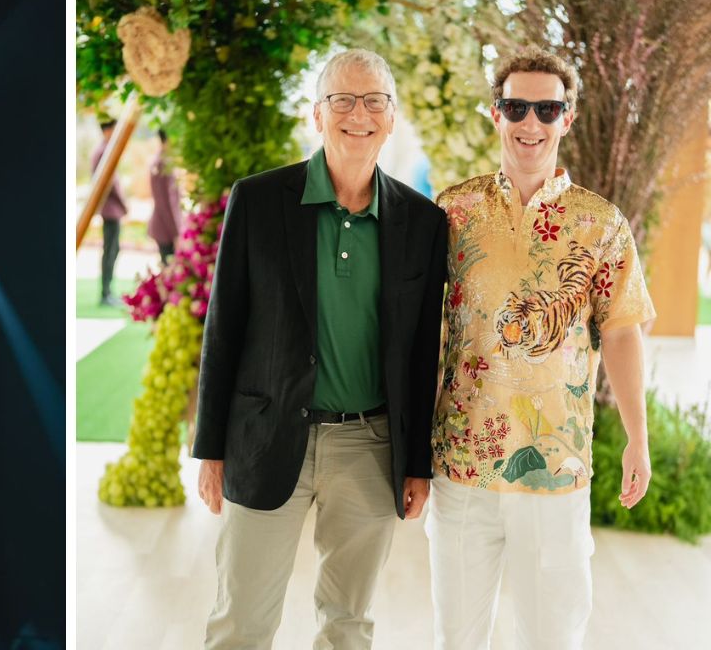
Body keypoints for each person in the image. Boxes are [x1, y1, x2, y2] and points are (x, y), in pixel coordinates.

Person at [192, 49, 447, 649]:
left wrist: (417, 462)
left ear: (391, 118)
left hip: (371, 444)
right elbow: (223, 328)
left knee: (347, 625)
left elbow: (420, 354)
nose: (358, 114)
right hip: (266, 435)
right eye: (342, 100)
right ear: (317, 114)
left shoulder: (423, 222)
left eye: (374, 101)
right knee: (240, 622)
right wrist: (210, 448)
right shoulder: (257, 200)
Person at [428, 46, 655, 649]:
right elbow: (412, 326)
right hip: (461, 468)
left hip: (557, 472)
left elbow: (623, 330)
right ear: (495, 114)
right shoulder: (452, 211)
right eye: (517, 106)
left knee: (553, 639)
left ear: (567, 118)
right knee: (457, 637)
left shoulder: (601, 223)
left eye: (547, 109)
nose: (532, 122)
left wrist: (638, 436)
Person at [90, 118, 128, 306]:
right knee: (110, 250)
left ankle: (107, 291)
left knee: (113, 249)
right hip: (110, 209)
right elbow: (111, 183)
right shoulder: (104, 152)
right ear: (107, 130)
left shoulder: (101, 150)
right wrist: (124, 205)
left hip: (110, 209)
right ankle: (106, 293)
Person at [147, 129, 182, 265]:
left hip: (163, 225)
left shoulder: (159, 160)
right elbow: (168, 203)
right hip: (166, 228)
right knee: (169, 269)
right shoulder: (163, 163)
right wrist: (176, 233)